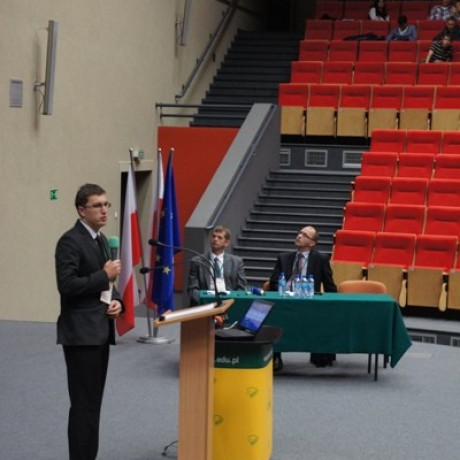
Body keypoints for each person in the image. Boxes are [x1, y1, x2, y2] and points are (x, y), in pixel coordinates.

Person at [55, 183, 123, 460]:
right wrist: (104, 276)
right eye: (97, 205)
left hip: (99, 331)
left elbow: (108, 284)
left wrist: (117, 302)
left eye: (106, 204)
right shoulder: (70, 241)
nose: (104, 210)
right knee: (84, 406)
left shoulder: (101, 239)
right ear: (82, 210)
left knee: (93, 404)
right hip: (81, 335)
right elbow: (66, 285)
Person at [268, 226, 337, 371]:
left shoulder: (321, 259)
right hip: (286, 300)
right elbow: (273, 282)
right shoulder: (283, 258)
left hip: (309, 302)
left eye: (304, 235)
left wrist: (334, 301)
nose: (299, 236)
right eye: (299, 233)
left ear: (312, 243)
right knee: (273, 315)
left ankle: (321, 354)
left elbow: (329, 284)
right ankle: (275, 357)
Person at [187, 225, 247, 306]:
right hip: (206, 303)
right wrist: (203, 302)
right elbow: (192, 288)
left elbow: (241, 288)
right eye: (213, 236)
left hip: (229, 303)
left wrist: (232, 303)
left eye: (219, 237)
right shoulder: (197, 261)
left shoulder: (237, 262)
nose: (215, 239)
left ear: (226, 243)